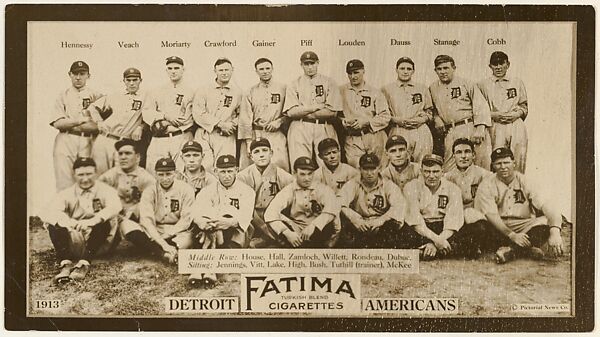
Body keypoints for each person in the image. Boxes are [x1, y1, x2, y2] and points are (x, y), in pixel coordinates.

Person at [474, 148, 564, 263]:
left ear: (514, 163)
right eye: (498, 164)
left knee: (545, 223)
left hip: (522, 225)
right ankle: (523, 250)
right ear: (493, 166)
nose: (503, 167)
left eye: (506, 162)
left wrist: (555, 232)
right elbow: (491, 215)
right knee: (478, 223)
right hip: (498, 226)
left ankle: (511, 251)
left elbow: (547, 206)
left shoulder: (525, 180)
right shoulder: (487, 184)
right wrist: (512, 235)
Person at [40, 157, 121, 284]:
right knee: (54, 222)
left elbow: (115, 207)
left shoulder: (106, 190)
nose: (85, 179)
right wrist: (68, 222)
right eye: (81, 175)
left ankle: (84, 263)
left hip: (99, 242)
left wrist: (93, 221)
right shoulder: (66, 193)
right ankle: (65, 263)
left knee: (105, 221)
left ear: (96, 173)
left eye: (89, 174)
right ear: (74, 175)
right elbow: (47, 212)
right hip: (74, 239)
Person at [189, 155, 255, 286]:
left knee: (225, 223)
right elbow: (196, 212)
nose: (227, 176)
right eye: (223, 171)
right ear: (215, 171)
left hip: (236, 232)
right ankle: (206, 271)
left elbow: (245, 218)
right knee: (205, 228)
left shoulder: (247, 191)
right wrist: (204, 223)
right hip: (211, 229)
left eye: (230, 171)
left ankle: (205, 269)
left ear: (237, 170)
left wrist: (225, 223)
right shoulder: (208, 190)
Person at [403, 154, 482, 259]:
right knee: (401, 232)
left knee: (475, 232)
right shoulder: (411, 187)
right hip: (423, 229)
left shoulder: (453, 189)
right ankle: (441, 251)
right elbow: (415, 221)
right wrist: (437, 241)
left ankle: (426, 251)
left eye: (435, 172)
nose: (431, 176)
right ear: (421, 172)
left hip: (444, 228)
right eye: (427, 172)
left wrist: (436, 243)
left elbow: (452, 222)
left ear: (442, 172)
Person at [429, 54, 492, 171]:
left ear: (454, 68)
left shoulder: (466, 83)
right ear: (435, 70)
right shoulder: (433, 88)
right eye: (439, 69)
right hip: (450, 131)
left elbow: (481, 105)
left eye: (446, 68)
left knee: (479, 166)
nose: (443, 72)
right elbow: (431, 109)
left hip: (470, 126)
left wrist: (480, 128)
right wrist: (437, 118)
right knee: (450, 168)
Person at [98, 139, 160, 256]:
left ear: (137, 157)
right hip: (115, 218)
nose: (123, 157)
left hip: (137, 219)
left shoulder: (146, 178)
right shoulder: (110, 175)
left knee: (138, 234)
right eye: (120, 154)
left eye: (127, 153)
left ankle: (153, 247)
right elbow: (96, 195)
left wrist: (136, 210)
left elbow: (155, 203)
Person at [264, 157, 341, 248]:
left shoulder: (322, 188)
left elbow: (333, 207)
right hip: (296, 229)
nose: (307, 178)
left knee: (331, 215)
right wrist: (287, 233)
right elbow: (270, 212)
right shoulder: (290, 189)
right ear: (295, 174)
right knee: (274, 219)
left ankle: (319, 246)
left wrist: (314, 225)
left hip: (318, 230)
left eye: (310, 174)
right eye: (302, 174)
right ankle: (292, 243)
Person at [283, 51, 343, 167]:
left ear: (318, 63)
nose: (310, 67)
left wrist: (303, 112)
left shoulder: (329, 82)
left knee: (328, 165)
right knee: (300, 164)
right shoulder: (294, 84)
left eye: (312, 63)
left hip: (323, 126)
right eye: (306, 64)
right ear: (301, 65)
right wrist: (316, 107)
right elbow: (291, 112)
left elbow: (332, 112)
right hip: (300, 127)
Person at [50, 61, 103, 190]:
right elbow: (57, 123)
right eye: (75, 74)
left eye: (82, 74)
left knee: (89, 181)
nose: (78, 77)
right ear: (70, 74)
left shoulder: (97, 95)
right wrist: (80, 121)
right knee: (65, 183)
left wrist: (94, 125)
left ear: (88, 75)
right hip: (66, 140)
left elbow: (105, 123)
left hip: (89, 140)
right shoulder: (63, 95)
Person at [337, 153, 406, 248]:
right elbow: (339, 203)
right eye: (365, 169)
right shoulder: (353, 183)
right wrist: (355, 219)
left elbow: (399, 205)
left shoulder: (388, 185)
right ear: (359, 169)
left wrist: (381, 220)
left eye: (373, 168)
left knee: (391, 231)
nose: (369, 173)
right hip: (360, 225)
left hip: (380, 226)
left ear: (379, 168)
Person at [237, 138, 294, 247]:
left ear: (271, 153)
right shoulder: (243, 176)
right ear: (250, 156)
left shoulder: (282, 175)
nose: (261, 155)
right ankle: (266, 238)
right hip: (252, 219)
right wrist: (264, 228)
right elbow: (244, 208)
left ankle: (270, 239)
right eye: (256, 152)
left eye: (264, 150)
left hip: (275, 218)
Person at [478, 51, 529, 173]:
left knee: (518, 157)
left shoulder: (517, 82)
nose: (498, 67)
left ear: (508, 64)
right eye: (495, 64)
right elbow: (478, 109)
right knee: (497, 158)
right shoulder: (482, 85)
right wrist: (493, 114)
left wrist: (517, 114)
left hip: (515, 123)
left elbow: (524, 106)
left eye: (501, 63)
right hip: (496, 125)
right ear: (490, 66)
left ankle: (516, 188)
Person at [88, 67, 146, 174]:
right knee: (100, 177)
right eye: (128, 80)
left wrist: (140, 127)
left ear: (140, 81)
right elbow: (93, 107)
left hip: (124, 143)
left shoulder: (146, 97)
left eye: (135, 80)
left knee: (121, 178)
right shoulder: (115, 95)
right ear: (124, 81)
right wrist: (99, 121)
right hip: (105, 139)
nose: (132, 83)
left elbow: (149, 117)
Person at [142, 56, 194, 175]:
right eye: (170, 68)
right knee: (153, 173)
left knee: (181, 174)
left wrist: (163, 122)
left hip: (181, 136)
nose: (173, 71)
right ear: (166, 70)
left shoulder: (190, 91)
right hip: (159, 139)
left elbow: (187, 118)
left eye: (176, 68)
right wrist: (165, 117)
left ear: (183, 69)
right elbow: (147, 113)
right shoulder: (156, 91)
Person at [138, 157, 196, 264]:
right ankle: (163, 254)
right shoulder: (149, 191)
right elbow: (146, 220)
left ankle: (154, 249)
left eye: (168, 174)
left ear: (175, 173)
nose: (165, 178)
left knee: (186, 240)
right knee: (131, 228)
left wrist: (167, 235)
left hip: (177, 230)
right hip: (156, 228)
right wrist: (162, 241)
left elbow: (186, 220)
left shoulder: (186, 189)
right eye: (161, 174)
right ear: (155, 174)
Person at [239, 58, 290, 171]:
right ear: (256, 71)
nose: (265, 71)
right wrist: (248, 142)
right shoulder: (250, 91)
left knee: (280, 165)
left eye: (267, 68)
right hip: (255, 133)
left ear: (272, 69)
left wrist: (280, 121)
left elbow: (290, 112)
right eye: (261, 69)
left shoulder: (284, 88)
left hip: (276, 133)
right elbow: (245, 118)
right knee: (250, 167)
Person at [192, 58, 242, 170]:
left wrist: (231, 124)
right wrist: (219, 123)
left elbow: (242, 114)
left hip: (225, 135)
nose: (224, 73)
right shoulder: (204, 90)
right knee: (204, 167)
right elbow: (198, 113)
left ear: (232, 70)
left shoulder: (238, 92)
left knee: (224, 167)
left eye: (227, 70)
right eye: (221, 70)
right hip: (204, 133)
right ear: (215, 71)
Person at [339, 59, 390, 168]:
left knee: (380, 169)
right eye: (350, 73)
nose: (353, 76)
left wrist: (367, 122)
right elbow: (335, 114)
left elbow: (385, 116)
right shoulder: (341, 91)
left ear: (363, 71)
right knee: (356, 171)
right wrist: (343, 122)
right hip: (353, 138)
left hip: (374, 136)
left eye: (356, 72)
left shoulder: (375, 92)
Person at [382, 57, 434, 163]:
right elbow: (383, 114)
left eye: (409, 69)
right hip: (398, 129)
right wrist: (396, 120)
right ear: (396, 70)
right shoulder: (387, 89)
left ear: (413, 71)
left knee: (423, 163)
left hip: (420, 130)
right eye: (402, 68)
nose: (405, 72)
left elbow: (430, 112)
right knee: (398, 162)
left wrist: (422, 120)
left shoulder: (422, 88)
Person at [444, 138, 493, 230]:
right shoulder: (447, 178)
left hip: (479, 219)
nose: (463, 156)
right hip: (455, 220)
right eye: (459, 152)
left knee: (470, 214)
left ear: (473, 155)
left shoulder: (485, 175)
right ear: (453, 156)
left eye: (467, 152)